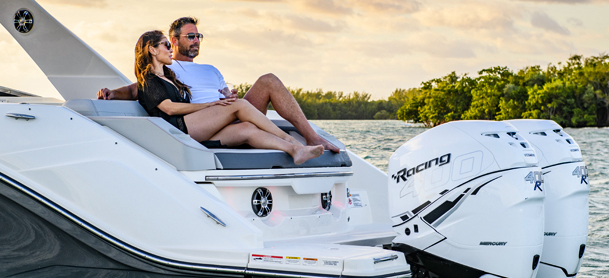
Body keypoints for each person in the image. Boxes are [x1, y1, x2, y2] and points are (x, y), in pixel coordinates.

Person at [98, 17, 340, 153]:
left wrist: (227, 95)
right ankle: (292, 143)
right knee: (240, 107)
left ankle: (308, 140)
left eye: (198, 36)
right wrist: (112, 93)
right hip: (203, 121)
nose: (196, 41)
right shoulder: (165, 71)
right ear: (173, 40)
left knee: (268, 81)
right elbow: (136, 89)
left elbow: (225, 94)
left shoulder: (209, 70)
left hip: (229, 111)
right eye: (190, 36)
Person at [134, 30, 324, 164]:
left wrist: (220, 99)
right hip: (178, 130)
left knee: (247, 129)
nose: (169, 49)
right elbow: (170, 108)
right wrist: (212, 105)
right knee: (238, 105)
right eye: (166, 45)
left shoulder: (169, 76)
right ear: (152, 50)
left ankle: (295, 151)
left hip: (194, 129)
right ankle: (291, 140)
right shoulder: (148, 80)